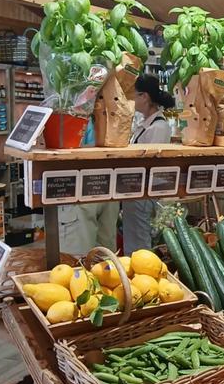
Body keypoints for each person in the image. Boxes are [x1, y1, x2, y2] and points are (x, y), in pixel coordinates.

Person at [122, 74, 173, 253]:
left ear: (144, 96)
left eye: (133, 95)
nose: (131, 100)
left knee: (139, 243)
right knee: (134, 238)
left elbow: (152, 164)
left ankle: (142, 275)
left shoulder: (159, 127)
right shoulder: (146, 124)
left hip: (143, 192)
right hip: (135, 191)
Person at [58, 120, 118, 255]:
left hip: (78, 185)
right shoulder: (113, 105)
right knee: (105, 261)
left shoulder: (64, 103)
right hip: (108, 179)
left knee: (76, 264)